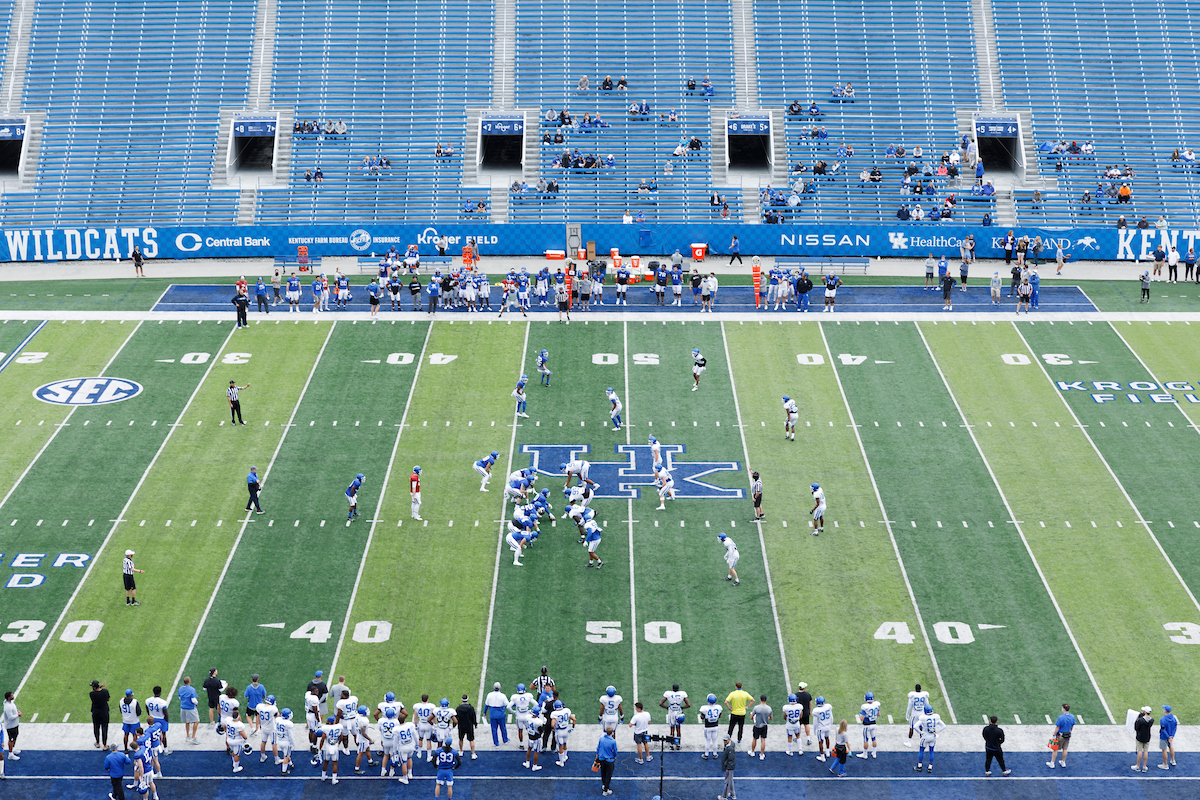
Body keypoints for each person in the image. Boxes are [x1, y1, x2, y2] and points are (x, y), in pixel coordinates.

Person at [914, 703, 944, 773]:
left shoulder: (923, 717)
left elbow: (915, 726)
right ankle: (930, 767)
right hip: (933, 737)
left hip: (925, 737)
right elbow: (943, 726)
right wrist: (936, 731)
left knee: (921, 750)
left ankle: (919, 766)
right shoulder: (936, 717)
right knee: (931, 751)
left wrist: (920, 732)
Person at [1047, 703, 1074, 768]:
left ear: (1063, 709)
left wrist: (1054, 734)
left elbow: (1057, 727)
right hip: (1068, 734)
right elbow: (1072, 726)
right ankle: (1063, 762)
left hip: (1061, 735)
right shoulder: (1072, 716)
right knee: (1065, 749)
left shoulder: (1061, 717)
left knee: (1055, 749)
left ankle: (1052, 763)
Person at [857, 692, 880, 759]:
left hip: (867, 725)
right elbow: (879, 714)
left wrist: (860, 715)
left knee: (866, 740)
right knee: (874, 738)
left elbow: (861, 718)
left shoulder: (865, 707)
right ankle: (874, 753)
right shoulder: (876, 705)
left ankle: (865, 754)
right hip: (874, 724)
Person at [90, 680, 111, 749]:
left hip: (96, 712)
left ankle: (98, 743)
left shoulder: (92, 694)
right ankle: (105, 745)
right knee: (104, 728)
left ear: (93, 687)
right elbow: (108, 699)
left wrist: (99, 686)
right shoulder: (105, 691)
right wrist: (100, 687)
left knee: (96, 727)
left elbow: (96, 692)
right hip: (104, 712)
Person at [178, 677, 199, 745]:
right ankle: (193, 737)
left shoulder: (181, 688)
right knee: (196, 721)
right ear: (189, 681)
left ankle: (188, 736)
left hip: (183, 707)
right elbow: (193, 700)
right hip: (190, 708)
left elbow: (179, 697)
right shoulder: (192, 689)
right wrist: (197, 703)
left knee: (187, 721)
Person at [812, 696, 833, 761]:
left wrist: (814, 730)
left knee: (820, 741)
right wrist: (830, 725)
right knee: (827, 738)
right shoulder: (828, 706)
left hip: (821, 728)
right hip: (828, 726)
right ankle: (827, 752)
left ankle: (822, 757)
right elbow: (831, 717)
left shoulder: (816, 710)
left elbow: (815, 722)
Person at [1133, 706, 1153, 772]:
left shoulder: (1140, 720)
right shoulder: (1151, 720)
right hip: (1147, 737)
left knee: (1139, 751)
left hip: (1140, 737)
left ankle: (1138, 766)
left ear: (1145, 712)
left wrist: (1136, 721)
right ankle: (1144, 766)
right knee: (1146, 751)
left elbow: (1136, 728)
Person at [719, 733, 737, 799]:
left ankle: (724, 797)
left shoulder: (730, 749)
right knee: (730, 781)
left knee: (727, 782)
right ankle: (733, 794)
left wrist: (728, 767)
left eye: (726, 740)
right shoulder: (730, 745)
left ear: (729, 739)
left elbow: (731, 759)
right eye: (724, 740)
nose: (724, 741)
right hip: (729, 766)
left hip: (729, 767)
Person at [1159, 704, 1177, 769]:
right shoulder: (1173, 718)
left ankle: (1165, 764)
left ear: (1165, 710)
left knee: (1164, 750)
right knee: (1171, 746)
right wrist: (1171, 736)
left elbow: (1163, 729)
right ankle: (1173, 760)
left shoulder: (1162, 719)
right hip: (1170, 736)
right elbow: (1175, 727)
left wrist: (1168, 737)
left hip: (1164, 737)